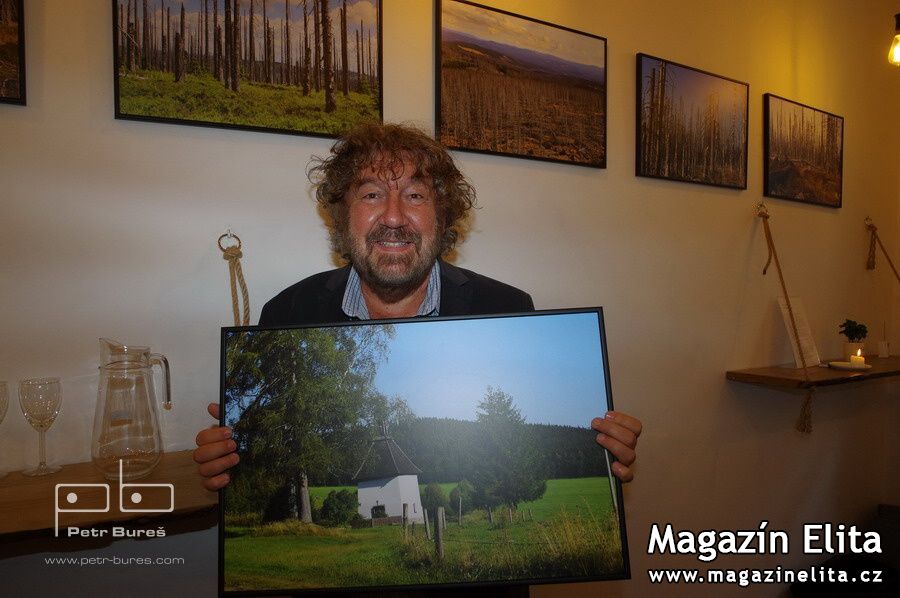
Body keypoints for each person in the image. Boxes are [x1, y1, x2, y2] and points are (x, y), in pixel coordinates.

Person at [194, 122, 642, 597]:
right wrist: (231, 456)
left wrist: (604, 442)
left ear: (442, 217)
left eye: (414, 195)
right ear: (342, 217)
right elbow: (273, 451)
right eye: (370, 195)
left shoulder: (507, 307)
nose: (393, 217)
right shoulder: (286, 313)